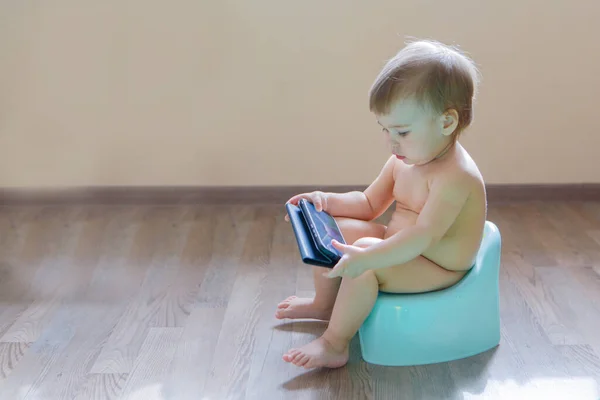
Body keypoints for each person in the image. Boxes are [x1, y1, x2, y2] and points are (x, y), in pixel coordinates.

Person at [276, 39, 487, 369]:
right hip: (398, 246)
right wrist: (324, 202)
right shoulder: (404, 159)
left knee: (367, 261)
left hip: (435, 267)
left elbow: (422, 236)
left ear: (447, 123)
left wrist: (372, 254)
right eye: (385, 129)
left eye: (401, 131)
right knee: (336, 230)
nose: (391, 142)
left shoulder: (455, 178)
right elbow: (367, 203)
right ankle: (324, 305)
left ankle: (334, 343)